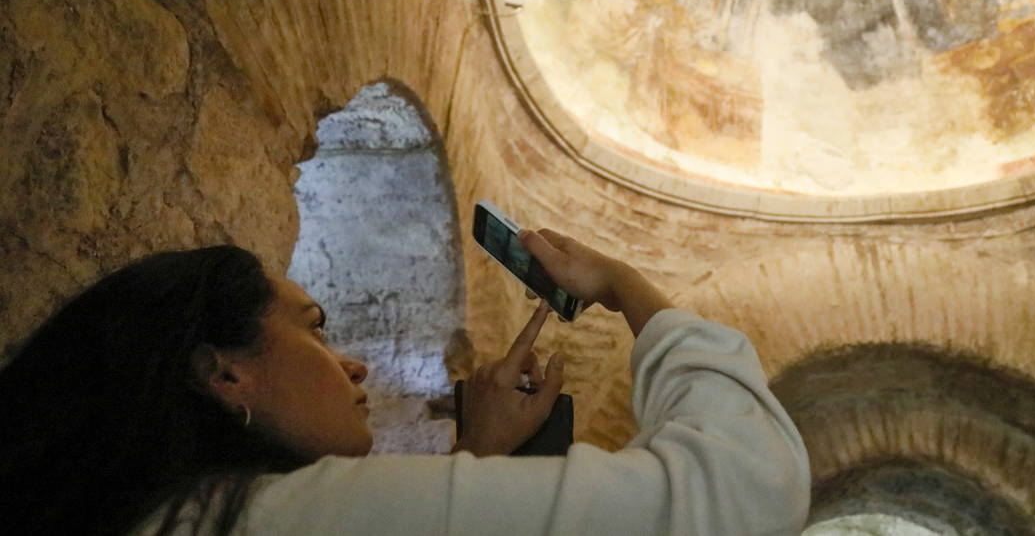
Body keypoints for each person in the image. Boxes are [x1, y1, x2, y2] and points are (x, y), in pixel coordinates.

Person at [0, 233, 810, 535]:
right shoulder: (279, 512)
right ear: (224, 371)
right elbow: (745, 487)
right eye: (314, 328)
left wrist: (477, 452)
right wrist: (623, 283)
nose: (352, 363)